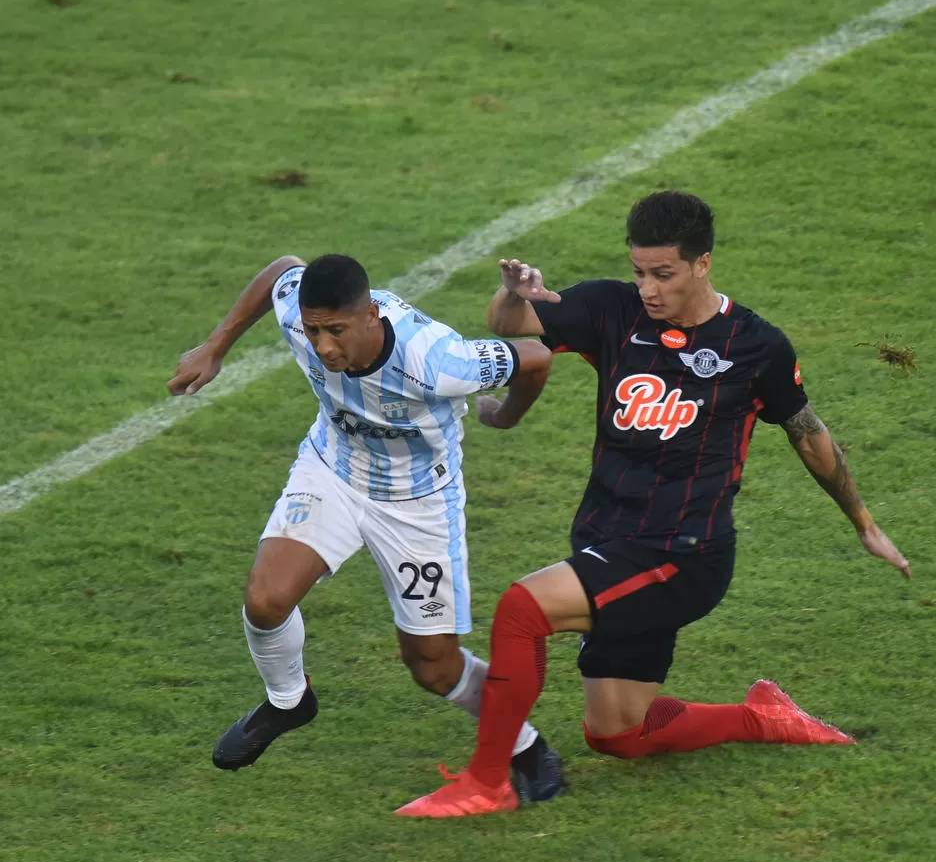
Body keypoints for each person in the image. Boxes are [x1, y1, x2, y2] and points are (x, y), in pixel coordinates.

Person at [396, 190, 911, 818]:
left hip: (682, 554)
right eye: (639, 271)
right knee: (617, 733)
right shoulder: (613, 310)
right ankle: (761, 717)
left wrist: (864, 522)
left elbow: (807, 432)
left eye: (662, 274)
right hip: (608, 540)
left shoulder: (755, 346)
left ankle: (487, 781)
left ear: (702, 264)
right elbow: (508, 327)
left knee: (521, 610)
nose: (647, 287)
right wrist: (516, 294)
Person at [167, 253, 563, 802]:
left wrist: (504, 415)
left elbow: (536, 357)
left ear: (372, 314)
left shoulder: (439, 359)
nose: (324, 347)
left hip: (417, 503)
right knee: (265, 599)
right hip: (333, 469)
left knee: (433, 668)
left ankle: (525, 745)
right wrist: (215, 347)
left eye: (336, 331)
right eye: (313, 331)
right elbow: (282, 267)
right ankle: (288, 701)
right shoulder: (297, 311)